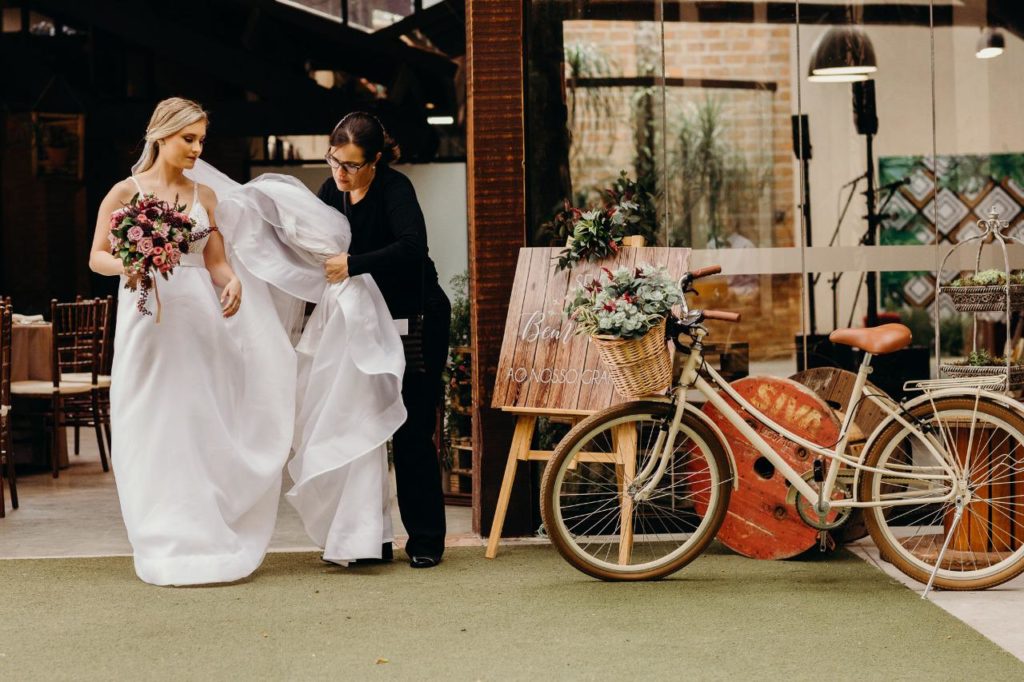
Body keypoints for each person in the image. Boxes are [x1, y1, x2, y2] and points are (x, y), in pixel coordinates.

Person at [89, 98, 406, 586]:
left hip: (200, 321)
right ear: (161, 136)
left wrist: (232, 281)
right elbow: (97, 257)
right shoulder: (125, 193)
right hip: (148, 321)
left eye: (201, 140)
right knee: (152, 420)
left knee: (201, 422)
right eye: (188, 139)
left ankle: (205, 532)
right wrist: (130, 265)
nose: (197, 149)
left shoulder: (204, 196)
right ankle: (160, 538)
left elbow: (216, 261)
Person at [317, 112, 450, 568]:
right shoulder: (330, 191)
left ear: (375, 160)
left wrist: (353, 264)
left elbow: (413, 247)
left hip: (415, 318)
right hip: (365, 325)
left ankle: (426, 541)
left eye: (352, 165)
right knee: (362, 427)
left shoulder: (396, 189)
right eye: (335, 160)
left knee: (411, 430)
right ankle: (369, 540)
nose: (340, 172)